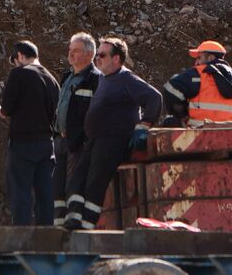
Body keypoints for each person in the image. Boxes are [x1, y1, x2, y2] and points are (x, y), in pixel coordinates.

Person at [62, 37, 162, 231]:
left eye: (102, 55)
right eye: (97, 54)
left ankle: (86, 226)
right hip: (95, 140)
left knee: (94, 183)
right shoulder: (104, 79)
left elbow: (154, 97)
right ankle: (73, 221)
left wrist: (143, 126)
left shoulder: (125, 78)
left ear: (116, 59)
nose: (97, 59)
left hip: (112, 140)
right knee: (77, 179)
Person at [0, 40, 60, 226]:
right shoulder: (52, 80)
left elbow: (7, 109)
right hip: (47, 145)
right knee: (45, 196)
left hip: (23, 144)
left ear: (19, 56)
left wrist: (1, 110)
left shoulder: (19, 74)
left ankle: (22, 242)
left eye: (15, 60)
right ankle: (46, 240)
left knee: (21, 195)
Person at [53, 32, 100, 225]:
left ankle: (73, 221)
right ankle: (58, 222)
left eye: (76, 51)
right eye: (70, 50)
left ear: (89, 55)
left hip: (80, 141)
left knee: (75, 183)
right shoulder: (67, 77)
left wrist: (86, 137)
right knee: (57, 184)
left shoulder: (95, 79)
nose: (71, 55)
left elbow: (96, 113)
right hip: (61, 139)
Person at [162, 40, 232, 125]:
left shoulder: (198, 73)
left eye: (199, 58)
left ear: (210, 58)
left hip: (199, 131)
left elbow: (170, 91)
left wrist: (183, 115)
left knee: (169, 121)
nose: (196, 63)